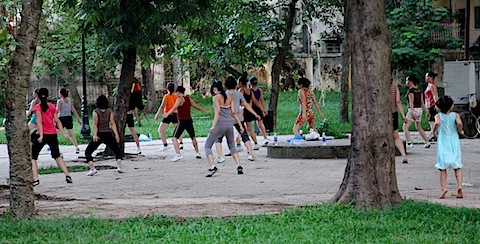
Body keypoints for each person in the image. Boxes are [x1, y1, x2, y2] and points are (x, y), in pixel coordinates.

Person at [214, 76, 261, 163]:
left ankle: (220, 156)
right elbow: (246, 105)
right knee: (244, 136)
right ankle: (250, 154)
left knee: (219, 138)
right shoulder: (238, 94)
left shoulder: (224, 94)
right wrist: (255, 114)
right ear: (235, 85)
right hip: (238, 118)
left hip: (226, 118)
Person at [31, 88, 72, 186]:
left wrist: (40, 135)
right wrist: (63, 133)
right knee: (57, 155)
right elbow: (57, 121)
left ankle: (36, 178)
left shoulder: (37, 108)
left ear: (38, 96)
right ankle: (67, 175)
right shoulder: (52, 106)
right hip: (52, 134)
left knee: (33, 157)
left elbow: (39, 122)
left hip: (42, 134)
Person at [204, 81, 245, 177]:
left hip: (219, 124)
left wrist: (213, 126)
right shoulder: (229, 98)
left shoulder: (216, 98)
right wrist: (241, 126)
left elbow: (218, 112)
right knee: (231, 146)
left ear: (215, 89)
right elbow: (234, 113)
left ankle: (212, 166)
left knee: (207, 146)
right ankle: (238, 165)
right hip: (229, 124)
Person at [163, 86, 209, 162]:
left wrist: (167, 114)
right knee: (193, 137)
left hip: (181, 121)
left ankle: (178, 155)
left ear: (178, 92)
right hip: (189, 120)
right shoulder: (188, 99)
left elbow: (174, 108)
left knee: (174, 138)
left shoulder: (179, 99)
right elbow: (196, 106)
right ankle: (197, 153)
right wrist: (205, 110)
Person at [84, 95, 124, 176]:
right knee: (116, 150)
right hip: (108, 133)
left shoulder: (96, 112)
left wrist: (95, 135)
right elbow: (112, 123)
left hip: (99, 133)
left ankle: (92, 168)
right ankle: (119, 167)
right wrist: (116, 134)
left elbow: (95, 124)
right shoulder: (109, 111)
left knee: (88, 151)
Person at [433, 95, 463, 199]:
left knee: (442, 167)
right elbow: (459, 123)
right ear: (450, 106)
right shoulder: (455, 115)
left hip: (443, 141)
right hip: (454, 140)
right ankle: (459, 187)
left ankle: (444, 188)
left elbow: (437, 123)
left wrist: (435, 130)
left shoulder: (438, 116)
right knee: (457, 165)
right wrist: (460, 130)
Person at [238, 76, 267, 150]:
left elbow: (238, 101)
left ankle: (239, 144)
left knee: (239, 127)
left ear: (241, 83)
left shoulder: (241, 91)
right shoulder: (250, 91)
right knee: (250, 128)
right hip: (249, 110)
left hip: (242, 110)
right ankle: (255, 143)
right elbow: (256, 101)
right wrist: (262, 109)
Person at [402, 76, 430, 149]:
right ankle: (427, 141)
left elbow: (411, 102)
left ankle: (409, 143)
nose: (406, 83)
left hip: (413, 109)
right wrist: (427, 112)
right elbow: (422, 102)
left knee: (405, 127)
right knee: (418, 127)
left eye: (407, 81)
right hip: (419, 110)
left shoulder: (411, 91)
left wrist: (412, 112)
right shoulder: (419, 90)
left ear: (410, 82)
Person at [155, 82, 183, 151]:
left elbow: (162, 106)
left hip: (168, 114)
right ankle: (181, 143)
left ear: (167, 88)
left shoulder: (166, 96)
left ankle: (165, 144)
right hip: (175, 114)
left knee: (160, 130)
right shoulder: (176, 96)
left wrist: (157, 114)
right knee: (177, 129)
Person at [56, 88, 82, 154]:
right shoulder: (69, 100)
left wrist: (53, 118)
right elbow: (73, 110)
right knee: (70, 134)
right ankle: (76, 147)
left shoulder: (60, 101)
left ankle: (55, 148)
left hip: (61, 118)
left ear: (61, 94)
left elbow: (57, 111)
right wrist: (78, 119)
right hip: (69, 118)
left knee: (55, 133)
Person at [249, 76, 270, 147]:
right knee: (260, 124)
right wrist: (264, 109)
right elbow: (261, 100)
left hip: (252, 109)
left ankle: (254, 140)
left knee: (249, 125)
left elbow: (253, 101)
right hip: (259, 108)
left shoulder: (250, 91)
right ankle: (265, 138)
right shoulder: (259, 90)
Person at [391, 79, 408, 164]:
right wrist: (403, 115)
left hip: (382, 114)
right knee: (396, 136)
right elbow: (398, 101)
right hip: (393, 113)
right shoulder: (394, 87)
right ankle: (403, 154)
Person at [126, 78, 143, 154]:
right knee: (133, 132)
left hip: (127, 115)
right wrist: (137, 116)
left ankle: (138, 147)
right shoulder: (133, 97)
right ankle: (138, 147)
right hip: (129, 115)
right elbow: (134, 109)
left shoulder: (126, 96)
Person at [425, 71, 439, 141]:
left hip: (432, 105)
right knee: (431, 120)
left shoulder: (432, 86)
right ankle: (434, 133)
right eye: (426, 76)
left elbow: (435, 96)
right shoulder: (428, 85)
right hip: (428, 105)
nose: (427, 78)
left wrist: (437, 105)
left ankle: (434, 134)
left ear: (432, 77)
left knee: (432, 120)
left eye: (428, 77)